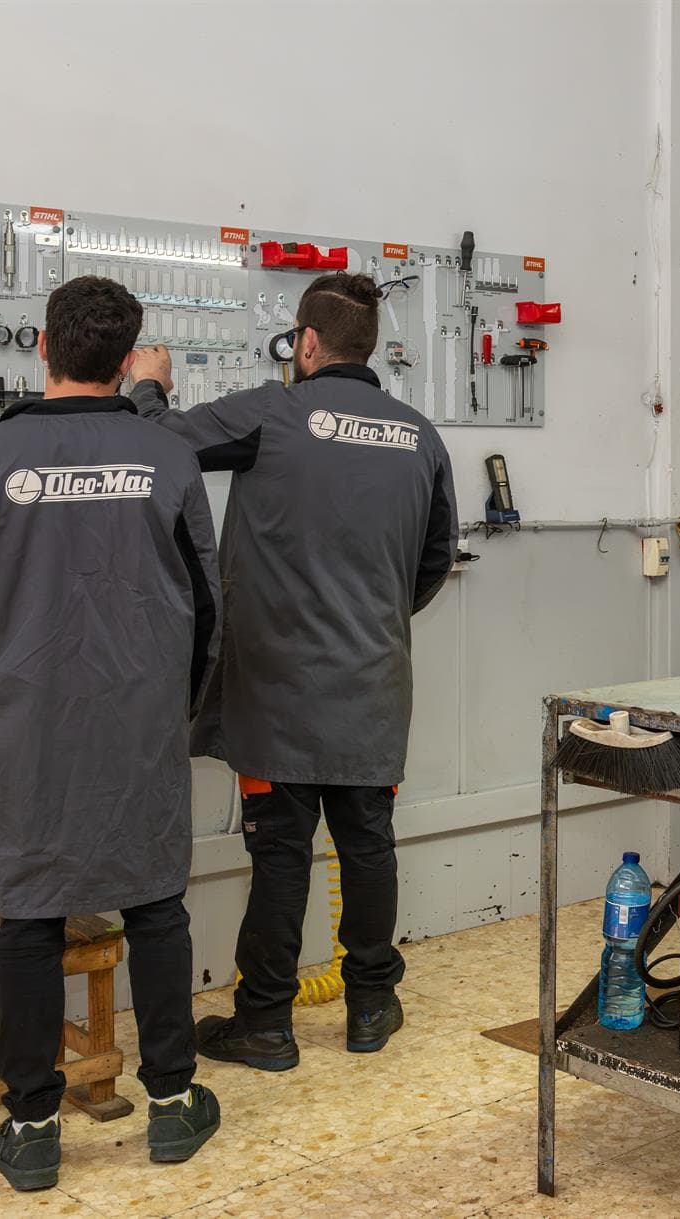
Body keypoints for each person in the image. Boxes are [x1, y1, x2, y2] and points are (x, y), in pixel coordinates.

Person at [0, 276, 223, 1192]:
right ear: (129, 359)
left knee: (30, 914)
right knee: (155, 902)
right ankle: (173, 1106)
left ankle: (34, 1125)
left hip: (25, 728)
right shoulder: (168, 461)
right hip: (138, 722)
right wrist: (183, 712)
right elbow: (210, 606)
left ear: (43, 349)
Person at [125, 271, 458, 1070]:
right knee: (369, 842)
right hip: (373, 683)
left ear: (305, 345)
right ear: (366, 347)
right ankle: (372, 1005)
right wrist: (371, 622)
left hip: (274, 689)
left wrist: (146, 387)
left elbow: (161, 441)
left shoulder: (272, 414)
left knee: (281, 851)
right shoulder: (420, 436)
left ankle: (266, 1022)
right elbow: (435, 560)